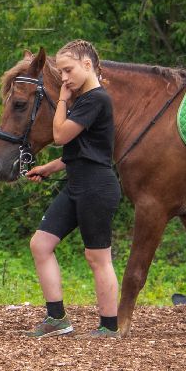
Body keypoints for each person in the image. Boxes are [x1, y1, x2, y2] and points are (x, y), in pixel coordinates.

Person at [23, 40, 122, 339]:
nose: (64, 78)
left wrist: (63, 100)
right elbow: (77, 153)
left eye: (68, 70)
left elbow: (61, 135)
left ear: (87, 65)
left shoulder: (95, 99)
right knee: (40, 245)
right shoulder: (85, 101)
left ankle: (108, 327)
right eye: (62, 73)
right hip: (77, 184)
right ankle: (57, 319)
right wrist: (47, 168)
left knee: (97, 258)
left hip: (96, 187)